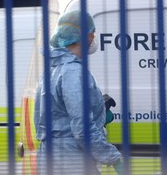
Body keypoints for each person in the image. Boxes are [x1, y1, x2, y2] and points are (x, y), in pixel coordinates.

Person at [34, 10, 123, 174]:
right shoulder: (74, 73)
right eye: (92, 32)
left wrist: (99, 113)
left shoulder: (50, 71)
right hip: (72, 161)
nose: (93, 38)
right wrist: (113, 158)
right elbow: (83, 130)